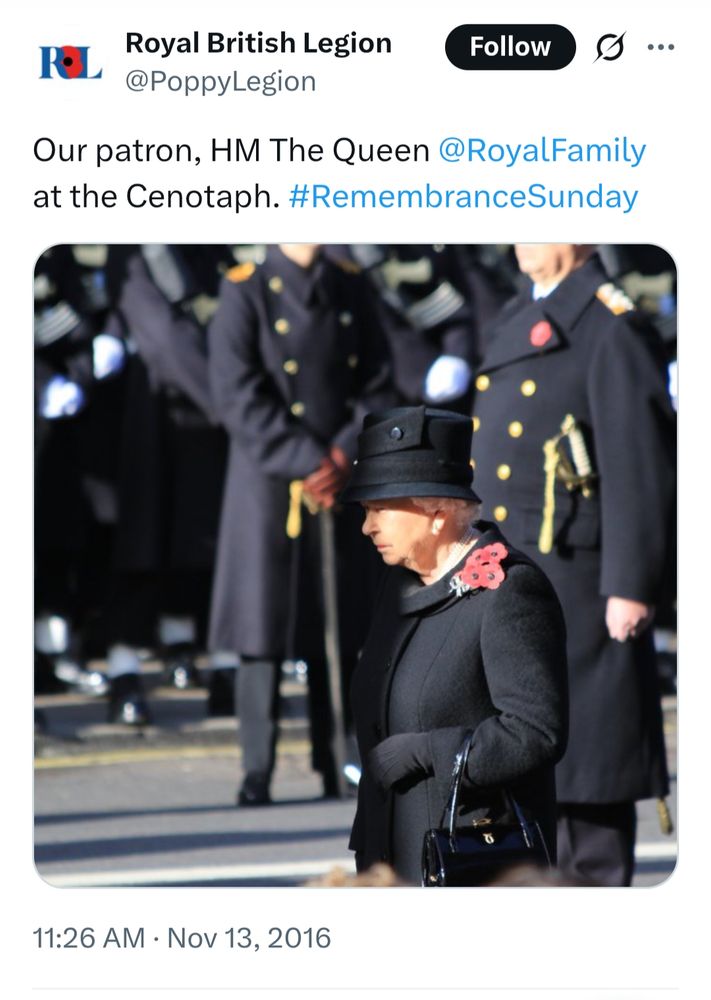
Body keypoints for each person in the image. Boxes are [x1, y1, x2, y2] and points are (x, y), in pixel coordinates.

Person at [470, 244, 676, 886]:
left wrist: (631, 585)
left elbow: (638, 464)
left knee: (590, 787)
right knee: (529, 792)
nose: (524, 240)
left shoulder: (609, 325)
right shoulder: (517, 313)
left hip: (583, 589)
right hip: (514, 578)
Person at [340, 406, 568, 885]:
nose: (367, 527)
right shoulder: (396, 584)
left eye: (380, 510)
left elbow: (536, 731)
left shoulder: (510, 591)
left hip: (471, 861)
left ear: (437, 512)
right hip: (388, 860)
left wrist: (432, 750)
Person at [207, 243, 396, 805]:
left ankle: (340, 761)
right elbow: (236, 391)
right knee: (259, 629)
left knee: (337, 627)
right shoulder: (245, 288)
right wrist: (304, 459)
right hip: (268, 482)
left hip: (336, 482)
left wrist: (343, 454)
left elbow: (378, 378)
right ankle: (256, 769)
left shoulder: (348, 284)